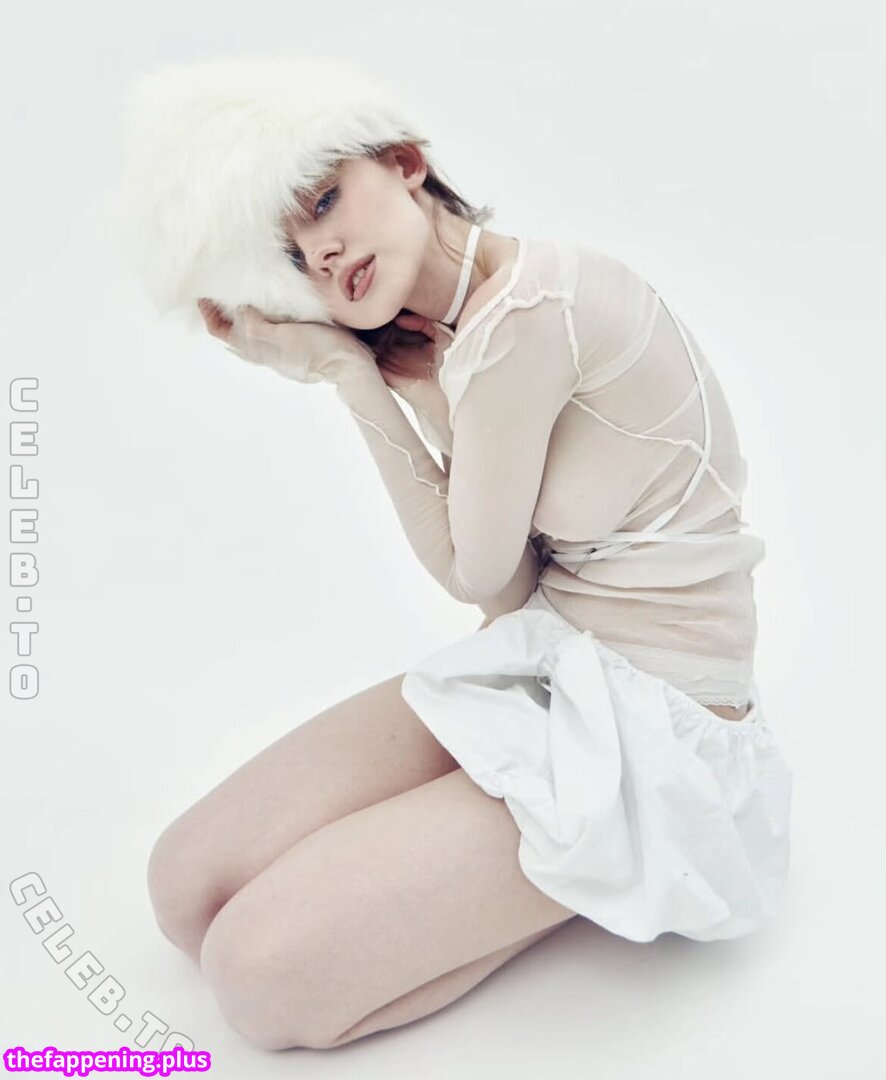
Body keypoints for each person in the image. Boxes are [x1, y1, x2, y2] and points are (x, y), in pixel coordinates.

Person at [117, 52, 794, 1051]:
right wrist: (404, 381)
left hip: (662, 724)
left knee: (257, 982)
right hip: (549, 652)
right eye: (295, 258)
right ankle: (527, 863)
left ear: (406, 161)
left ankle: (618, 860)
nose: (323, 253)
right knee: (185, 887)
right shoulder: (455, 337)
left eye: (323, 201)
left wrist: (349, 379)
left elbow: (473, 574)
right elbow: (509, 592)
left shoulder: (529, 314)